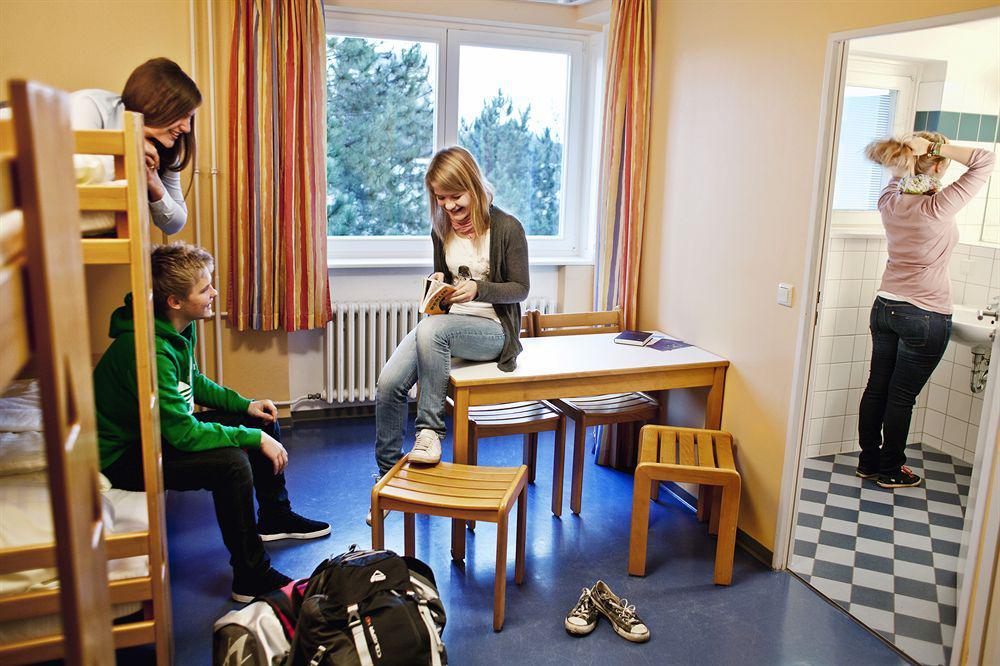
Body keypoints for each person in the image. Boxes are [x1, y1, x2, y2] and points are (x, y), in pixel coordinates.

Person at [94, 242, 329, 602]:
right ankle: (250, 576)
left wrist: (245, 407)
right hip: (127, 455)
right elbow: (183, 434)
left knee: (264, 420)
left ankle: (275, 518)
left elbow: (194, 382)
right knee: (232, 465)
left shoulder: (174, 326)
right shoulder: (149, 350)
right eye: (205, 289)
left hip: (158, 432)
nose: (213, 293)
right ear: (175, 300)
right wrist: (249, 440)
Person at [370, 146, 529, 522]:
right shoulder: (440, 228)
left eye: (456, 201)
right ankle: (388, 483)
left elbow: (520, 288)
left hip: (493, 331)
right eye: (441, 202)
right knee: (389, 383)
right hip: (446, 325)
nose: (449, 211)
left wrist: (479, 289)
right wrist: (437, 284)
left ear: (474, 188)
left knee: (433, 330)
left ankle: (430, 433)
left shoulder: (507, 228)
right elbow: (442, 282)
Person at [858, 132, 995, 488]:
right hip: (925, 313)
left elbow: (900, 177)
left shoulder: (889, 200)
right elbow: (985, 159)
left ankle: (869, 461)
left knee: (877, 387)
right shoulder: (939, 206)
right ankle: (891, 470)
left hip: (885, 306)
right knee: (901, 397)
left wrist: (914, 157)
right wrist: (935, 149)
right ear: (937, 164)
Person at [71, 58, 200, 235]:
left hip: (115, 234)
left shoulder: (166, 147)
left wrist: (154, 183)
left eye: (190, 118)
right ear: (157, 105)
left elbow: (175, 224)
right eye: (182, 116)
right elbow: (74, 171)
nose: (187, 128)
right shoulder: (89, 105)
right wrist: (131, 156)